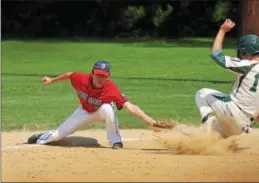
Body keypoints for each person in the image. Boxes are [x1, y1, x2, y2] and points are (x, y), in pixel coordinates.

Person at [27, 60, 160, 149]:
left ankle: (115, 141)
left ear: (108, 76)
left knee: (108, 108)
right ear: (92, 73)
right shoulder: (81, 79)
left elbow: (129, 106)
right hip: (83, 111)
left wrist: (150, 121)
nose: (100, 78)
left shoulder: (110, 88)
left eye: (103, 76)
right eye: (98, 75)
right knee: (56, 137)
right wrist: (51, 80)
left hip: (100, 110)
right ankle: (42, 136)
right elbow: (69, 75)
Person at [195, 19, 259, 138]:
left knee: (202, 93)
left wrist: (222, 30)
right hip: (244, 125)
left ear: (245, 52)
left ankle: (206, 121)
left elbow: (216, 55)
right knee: (215, 135)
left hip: (232, 112)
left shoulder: (247, 65)